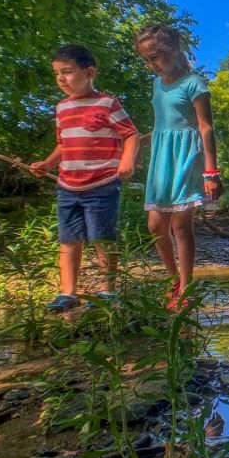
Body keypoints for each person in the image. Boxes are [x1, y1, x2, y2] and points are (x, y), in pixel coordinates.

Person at [30, 44, 139, 312]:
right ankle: (67, 292)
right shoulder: (62, 108)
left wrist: (127, 160)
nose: (61, 79)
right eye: (57, 73)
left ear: (89, 72)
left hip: (101, 183)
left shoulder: (107, 103)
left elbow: (130, 134)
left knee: (102, 238)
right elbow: (63, 144)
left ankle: (108, 291)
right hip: (67, 185)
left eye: (67, 72)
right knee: (69, 239)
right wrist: (47, 163)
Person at [134, 23, 222, 309]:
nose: (151, 64)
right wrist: (137, 143)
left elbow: (206, 128)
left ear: (173, 49)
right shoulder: (157, 85)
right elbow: (162, 127)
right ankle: (173, 279)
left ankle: (186, 287)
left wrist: (211, 172)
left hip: (187, 157)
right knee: (155, 225)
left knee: (181, 226)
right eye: (147, 59)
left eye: (155, 57)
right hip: (161, 159)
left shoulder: (194, 84)